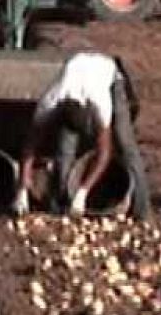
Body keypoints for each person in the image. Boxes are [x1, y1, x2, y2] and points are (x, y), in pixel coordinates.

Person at [16, 51, 149, 221]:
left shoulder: (100, 103)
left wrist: (83, 192)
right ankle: (60, 205)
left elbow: (104, 153)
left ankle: (141, 209)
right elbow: (30, 145)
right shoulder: (50, 101)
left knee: (125, 143)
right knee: (64, 150)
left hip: (111, 78)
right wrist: (23, 186)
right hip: (75, 71)